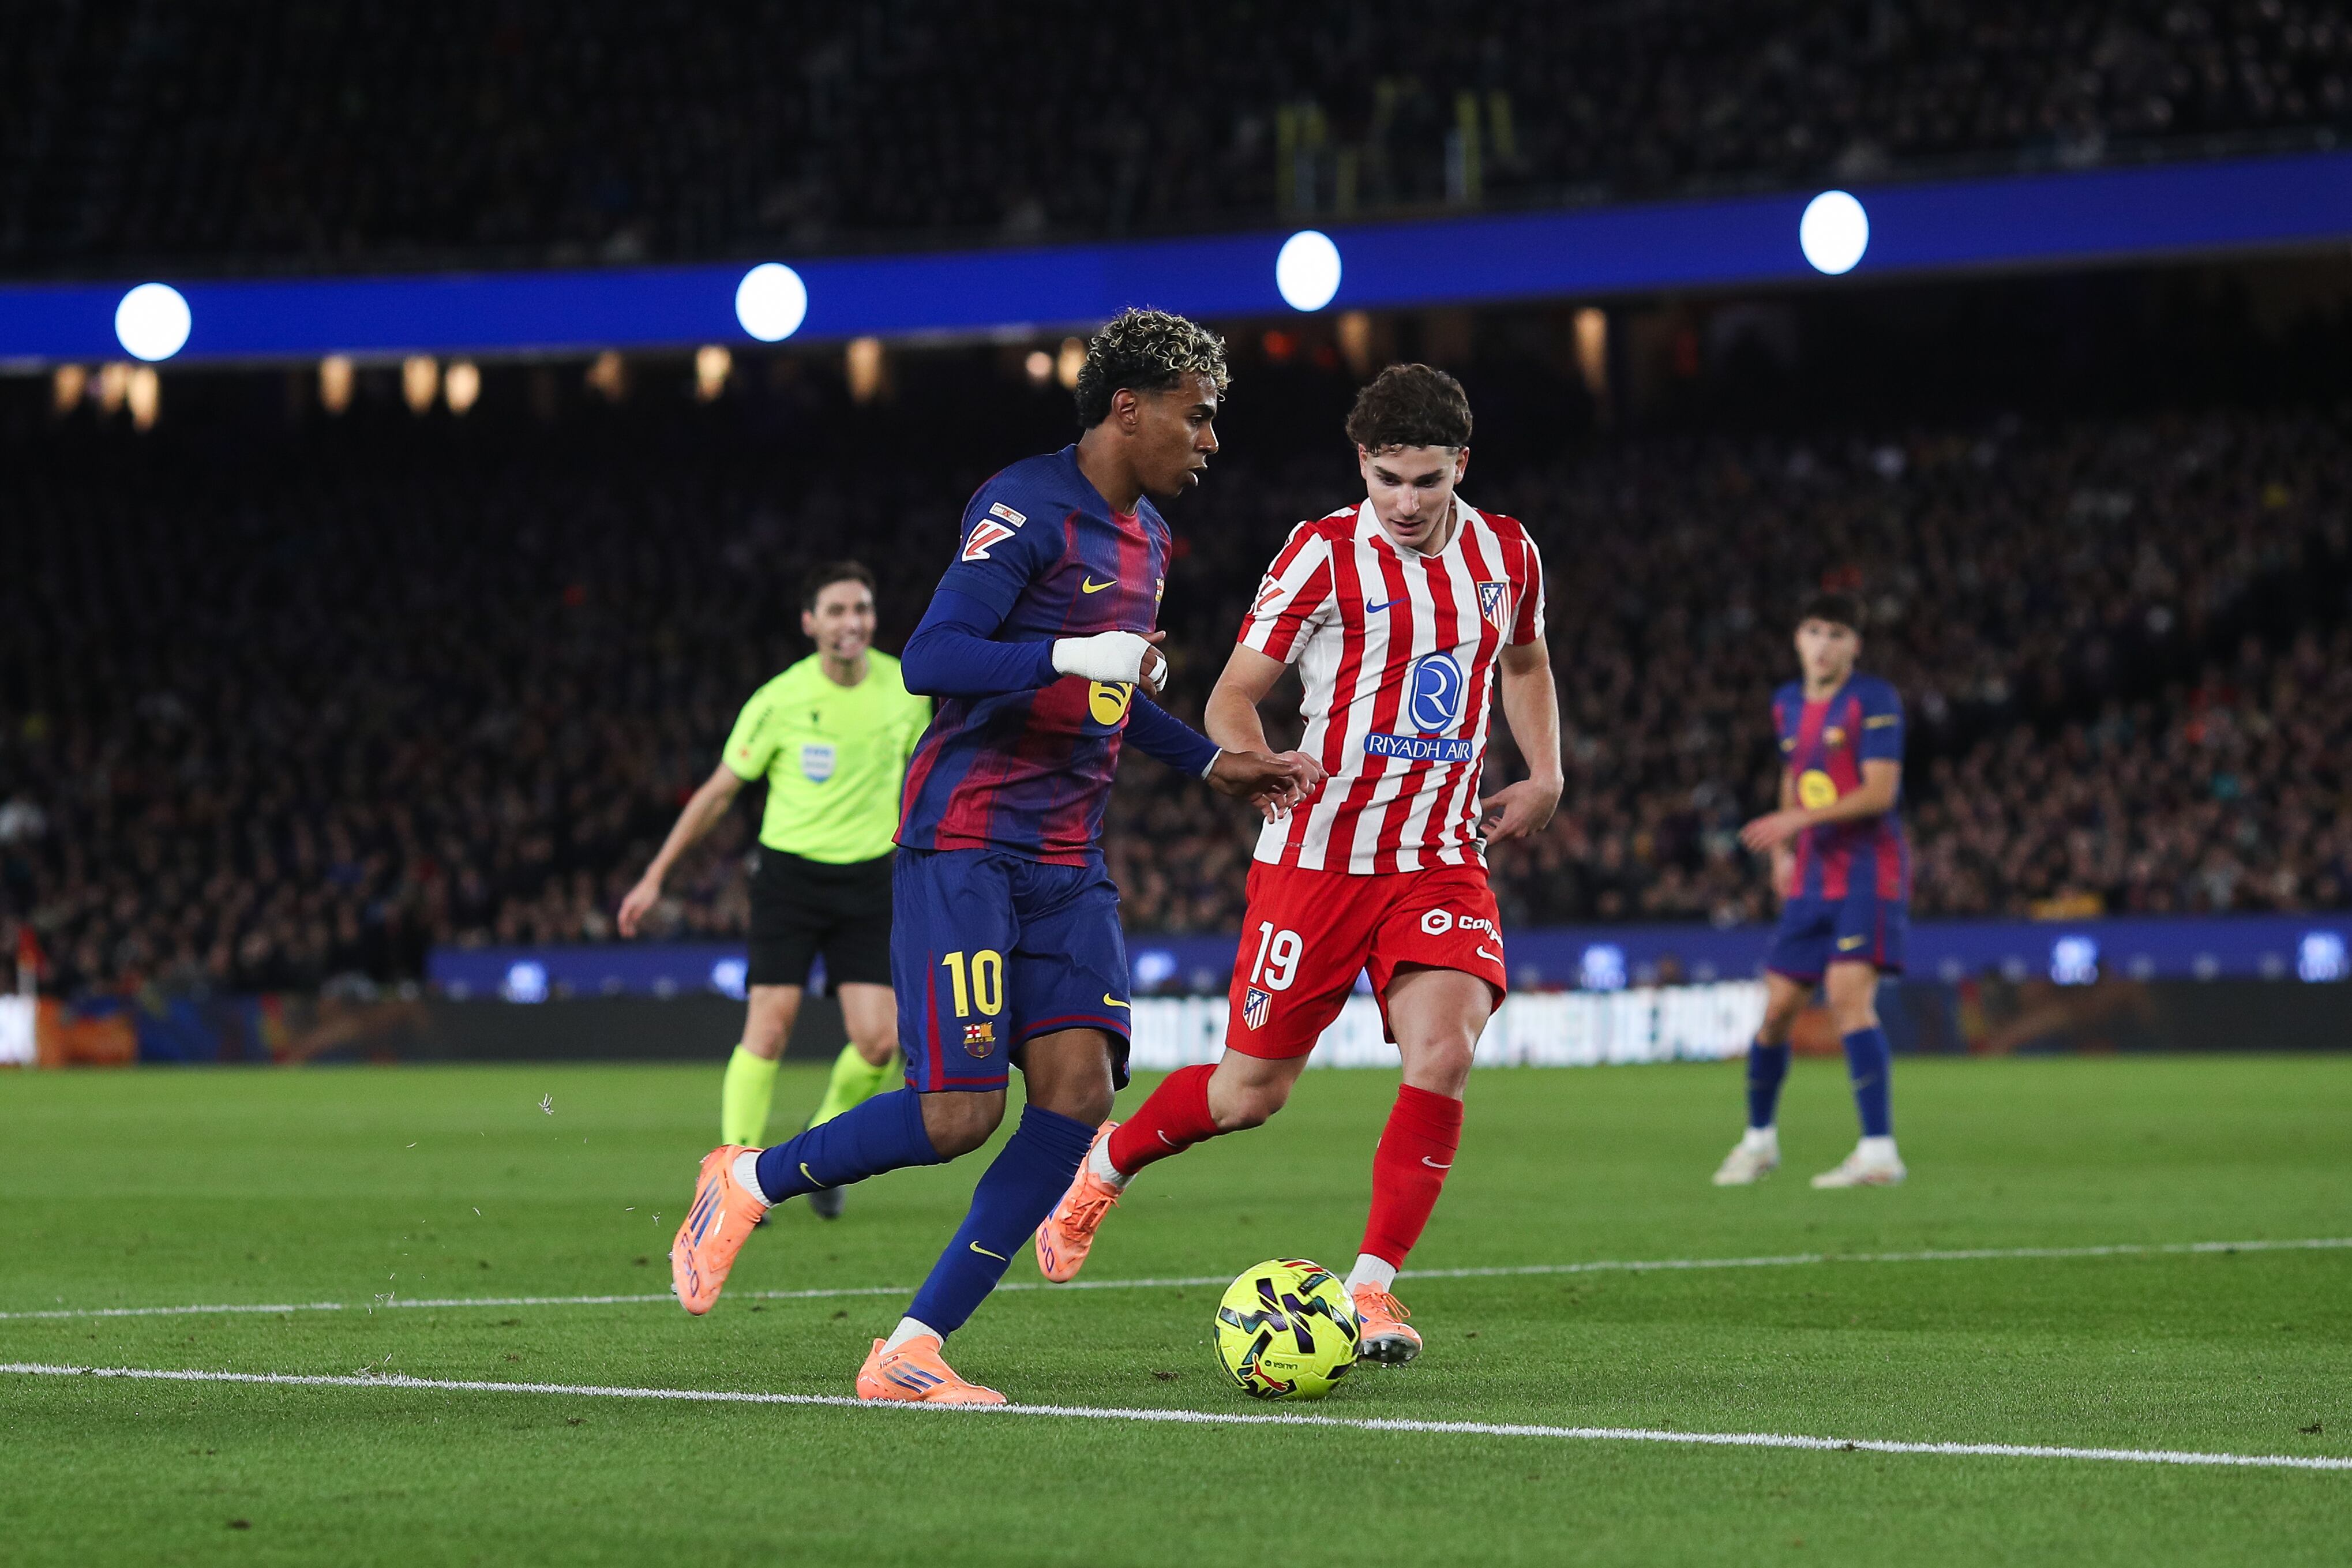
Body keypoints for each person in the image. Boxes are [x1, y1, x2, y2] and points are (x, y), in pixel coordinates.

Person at [665, 308, 1319, 1400]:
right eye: (1196, 418)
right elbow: (930, 655)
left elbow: (1105, 692)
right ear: (1129, 407)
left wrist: (1211, 763)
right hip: (965, 842)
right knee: (956, 1114)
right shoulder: (1026, 505)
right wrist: (1068, 647)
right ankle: (748, 1177)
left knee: (1077, 1093)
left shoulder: (1150, 538)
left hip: (1068, 855)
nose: (1210, 441)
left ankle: (911, 1346)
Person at [1032, 363, 1560, 1366]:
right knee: (1247, 1096)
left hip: (1440, 856)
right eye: (1389, 479)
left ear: (1461, 467)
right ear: (1362, 461)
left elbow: (1524, 661)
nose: (1406, 503)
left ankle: (1371, 1290)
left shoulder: (1508, 552)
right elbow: (1232, 694)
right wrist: (1253, 755)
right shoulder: (1320, 555)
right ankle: (1106, 1161)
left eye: (1428, 482)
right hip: (1315, 858)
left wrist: (1547, 771)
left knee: (1443, 1052)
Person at [617, 562, 928, 1218]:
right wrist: (654, 876)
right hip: (789, 879)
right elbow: (718, 793)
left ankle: (818, 1154)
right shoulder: (779, 699)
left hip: (871, 878)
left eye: (862, 610)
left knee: (879, 1042)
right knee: (770, 1025)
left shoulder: (906, 691)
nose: (852, 622)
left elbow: (934, 778)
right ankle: (729, 1179)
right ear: (810, 623)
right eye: (837, 610)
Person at [1716, 592, 1910, 1188]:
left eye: (1837, 634)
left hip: (1865, 870)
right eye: (1814, 631)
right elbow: (1793, 775)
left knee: (1850, 997)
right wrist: (1782, 852)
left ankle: (1879, 1151)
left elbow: (1880, 793)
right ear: (1798, 638)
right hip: (1810, 876)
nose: (1824, 645)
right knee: (1776, 1014)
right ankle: (1759, 1143)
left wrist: (1795, 823)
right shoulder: (1786, 704)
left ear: (1855, 645)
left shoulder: (1873, 700)